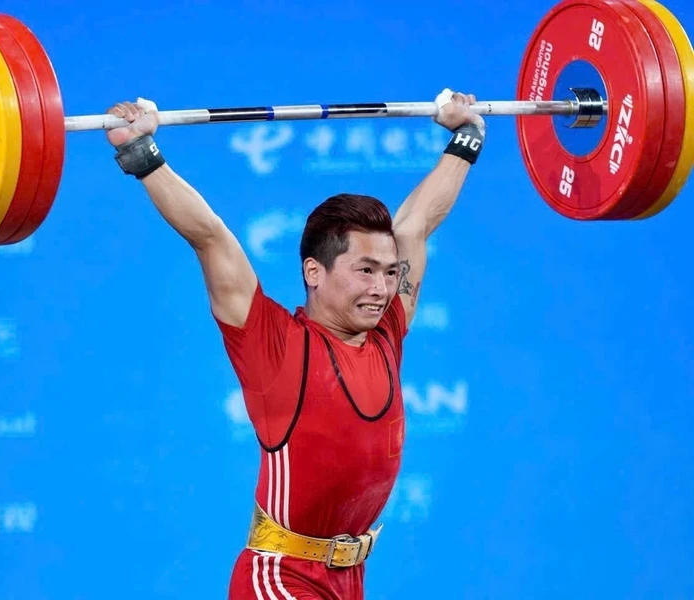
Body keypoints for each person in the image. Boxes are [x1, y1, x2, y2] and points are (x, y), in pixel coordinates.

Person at [105, 89, 486, 599]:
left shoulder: (387, 333)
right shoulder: (275, 346)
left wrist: (466, 137)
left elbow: (417, 223)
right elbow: (210, 237)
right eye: (365, 271)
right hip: (279, 578)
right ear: (314, 272)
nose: (382, 288)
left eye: (389, 272)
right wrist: (142, 153)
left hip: (348, 581)